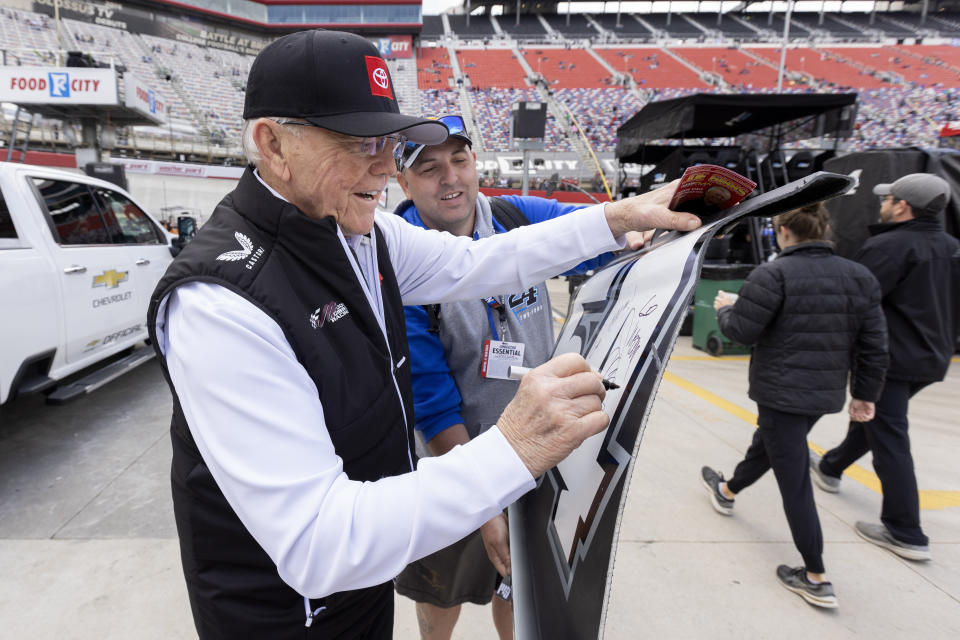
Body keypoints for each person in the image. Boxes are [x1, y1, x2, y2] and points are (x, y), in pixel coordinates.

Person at [145, 30, 701, 640]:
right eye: (359, 143)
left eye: (387, 139)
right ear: (272, 143)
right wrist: (511, 449)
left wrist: (617, 217)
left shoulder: (358, 230)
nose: (386, 165)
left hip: (362, 588)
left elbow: (481, 260)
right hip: (284, 615)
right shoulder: (220, 303)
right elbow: (319, 543)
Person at [391, 117, 641, 640]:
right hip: (456, 464)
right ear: (403, 182)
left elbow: (584, 236)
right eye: (430, 168)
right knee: (442, 593)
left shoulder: (508, 214)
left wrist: (634, 229)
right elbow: (433, 407)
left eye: (460, 160)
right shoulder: (401, 266)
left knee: (518, 587)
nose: (450, 178)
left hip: (538, 457)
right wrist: (482, 502)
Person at [701, 203, 888, 609]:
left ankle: (816, 576)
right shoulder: (859, 276)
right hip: (822, 395)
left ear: (784, 231)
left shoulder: (772, 274)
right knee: (767, 446)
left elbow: (741, 331)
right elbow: (874, 346)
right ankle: (728, 489)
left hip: (780, 392)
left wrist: (726, 309)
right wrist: (866, 395)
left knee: (795, 481)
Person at [810, 173, 960, 561]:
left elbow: (855, 302)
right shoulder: (952, 247)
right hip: (932, 357)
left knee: (890, 437)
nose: (882, 204)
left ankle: (905, 530)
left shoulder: (889, 247)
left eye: (887, 198)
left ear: (903, 207)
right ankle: (831, 466)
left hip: (890, 359)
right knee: (876, 420)